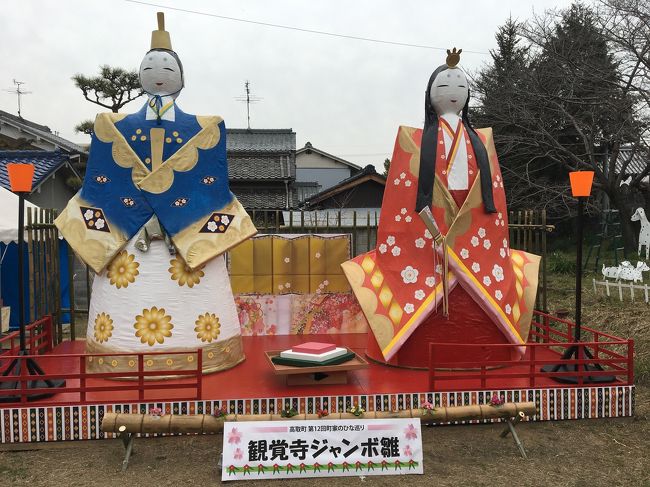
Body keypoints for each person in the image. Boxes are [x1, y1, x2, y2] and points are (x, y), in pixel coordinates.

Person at [55, 13, 256, 375]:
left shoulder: (206, 127)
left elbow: (210, 181)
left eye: (167, 64)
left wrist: (175, 216)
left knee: (194, 308)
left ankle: (207, 352)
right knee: (129, 301)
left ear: (181, 77)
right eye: (150, 64)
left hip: (185, 235)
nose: (159, 69)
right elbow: (103, 178)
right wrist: (145, 209)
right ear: (140, 74)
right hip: (128, 233)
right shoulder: (111, 126)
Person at [342, 49, 540, 368]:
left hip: (477, 234)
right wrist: (433, 227)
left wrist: (471, 227)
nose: (453, 90)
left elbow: (494, 195)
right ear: (430, 94)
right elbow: (402, 192)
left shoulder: (481, 140)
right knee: (410, 272)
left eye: (460, 85)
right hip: (426, 233)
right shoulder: (414, 140)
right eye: (445, 85)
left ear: (468, 94)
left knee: (487, 271)